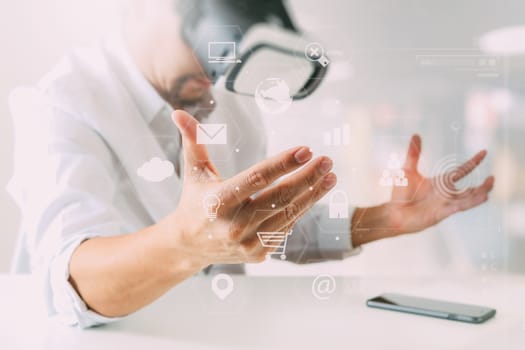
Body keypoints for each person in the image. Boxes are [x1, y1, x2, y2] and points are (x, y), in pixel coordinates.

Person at [7, 0, 494, 328]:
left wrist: (383, 220)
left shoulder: (227, 101)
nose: (215, 69)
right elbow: (69, 281)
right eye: (202, 45)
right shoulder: (61, 102)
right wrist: (186, 242)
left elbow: (261, 229)